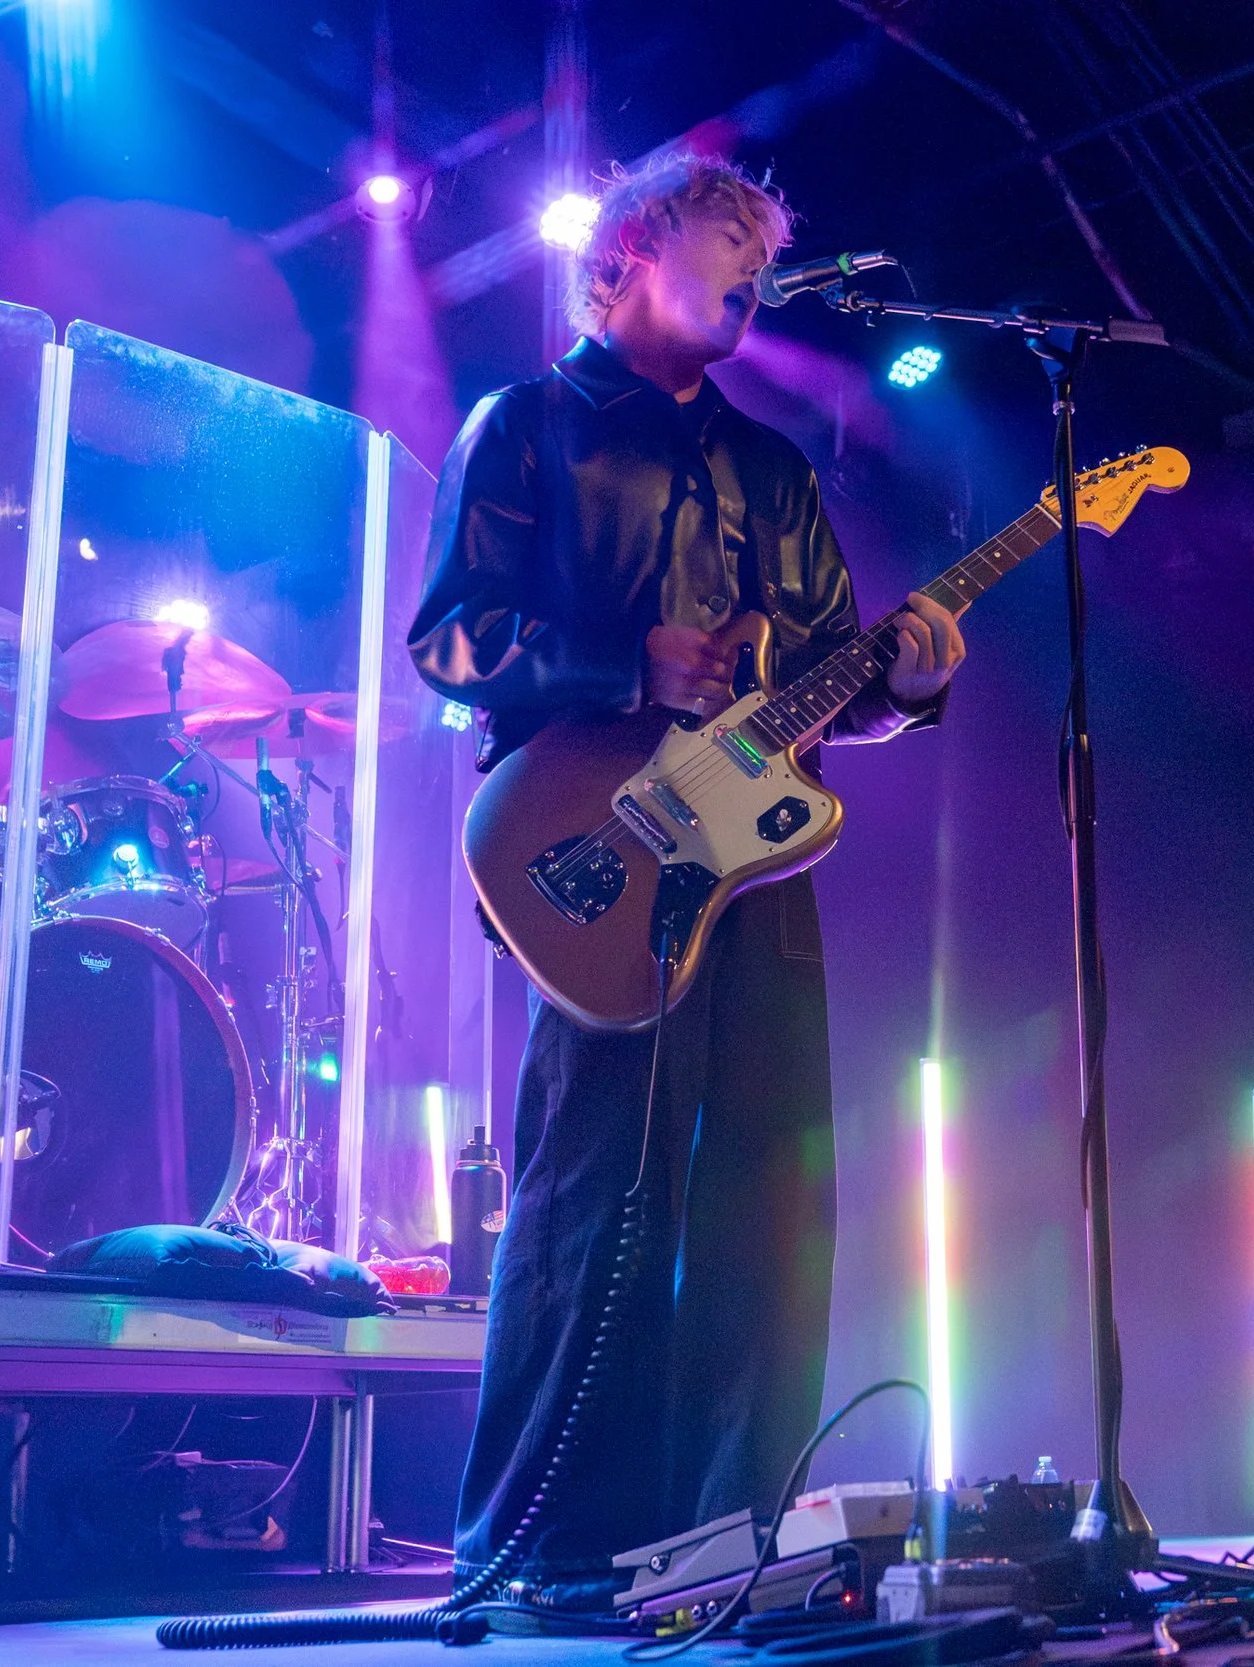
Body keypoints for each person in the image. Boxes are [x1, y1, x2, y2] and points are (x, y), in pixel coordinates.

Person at [409, 154, 965, 1600]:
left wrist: (906, 687)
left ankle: (730, 1537)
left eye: (766, 252)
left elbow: (832, 678)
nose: (754, 272)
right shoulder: (523, 425)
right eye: (731, 236)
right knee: (596, 1190)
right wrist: (622, 663)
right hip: (592, 846)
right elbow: (450, 638)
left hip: (759, 868)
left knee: (775, 1200)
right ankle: (544, 1548)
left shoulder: (774, 468)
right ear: (632, 245)